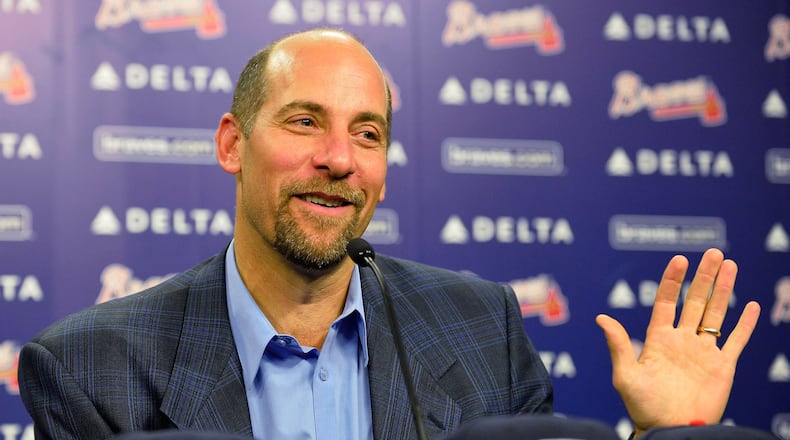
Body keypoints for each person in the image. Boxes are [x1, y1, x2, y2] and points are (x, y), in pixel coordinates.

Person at [17, 27, 761, 440]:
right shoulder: (88, 368)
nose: (339, 159)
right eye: (305, 121)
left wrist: (667, 437)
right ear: (232, 144)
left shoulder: (483, 330)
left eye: (367, 133)